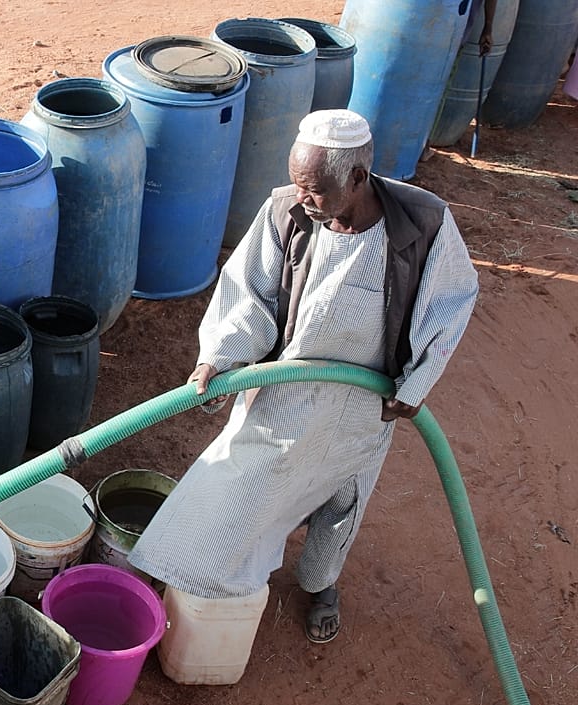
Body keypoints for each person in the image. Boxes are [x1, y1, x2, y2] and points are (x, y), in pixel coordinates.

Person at [128, 109, 480, 644]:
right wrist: (219, 358)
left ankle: (320, 585)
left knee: (341, 503)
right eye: (296, 183)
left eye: (314, 188)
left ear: (358, 179)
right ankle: (185, 576)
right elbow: (249, 292)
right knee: (238, 483)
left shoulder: (423, 223)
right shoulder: (286, 213)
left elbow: (451, 302)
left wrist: (415, 385)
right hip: (286, 392)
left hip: (366, 402)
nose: (302, 197)